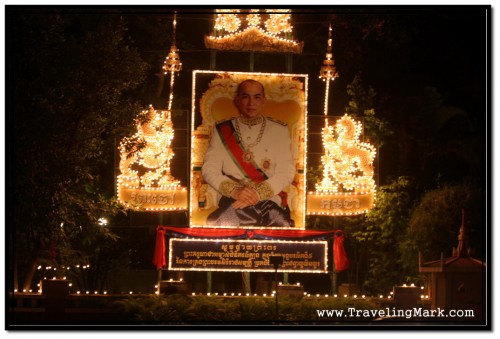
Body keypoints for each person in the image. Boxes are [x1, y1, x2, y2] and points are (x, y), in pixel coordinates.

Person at [201, 79, 295, 227]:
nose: (251, 103)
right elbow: (209, 169)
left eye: (257, 97)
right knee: (227, 220)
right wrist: (235, 191)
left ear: (263, 100)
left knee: (277, 222)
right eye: (246, 97)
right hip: (231, 199)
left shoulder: (278, 130)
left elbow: (287, 171)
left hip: (269, 198)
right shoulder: (222, 129)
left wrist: (258, 193)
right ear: (237, 100)